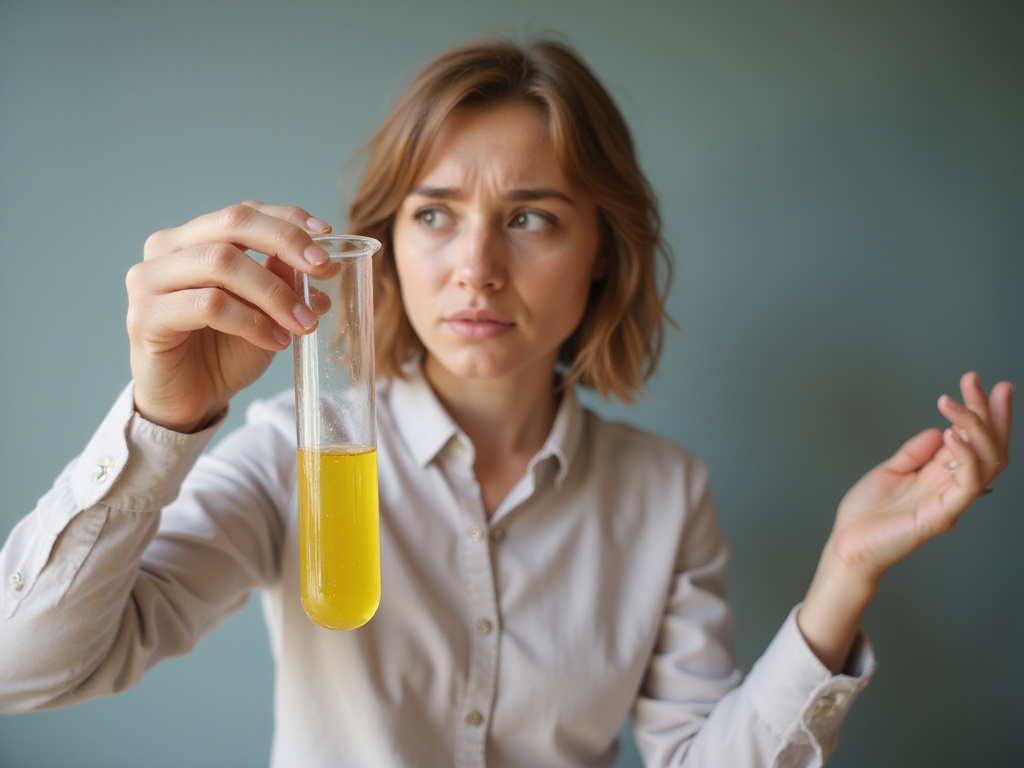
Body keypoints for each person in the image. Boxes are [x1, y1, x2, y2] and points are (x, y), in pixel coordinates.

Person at [0, 37, 1012, 768]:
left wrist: (842, 576)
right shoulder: (294, 457)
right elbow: (25, 672)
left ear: (602, 257)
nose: (475, 268)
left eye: (529, 217)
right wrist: (160, 421)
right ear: (387, 250)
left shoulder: (666, 497)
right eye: (434, 215)